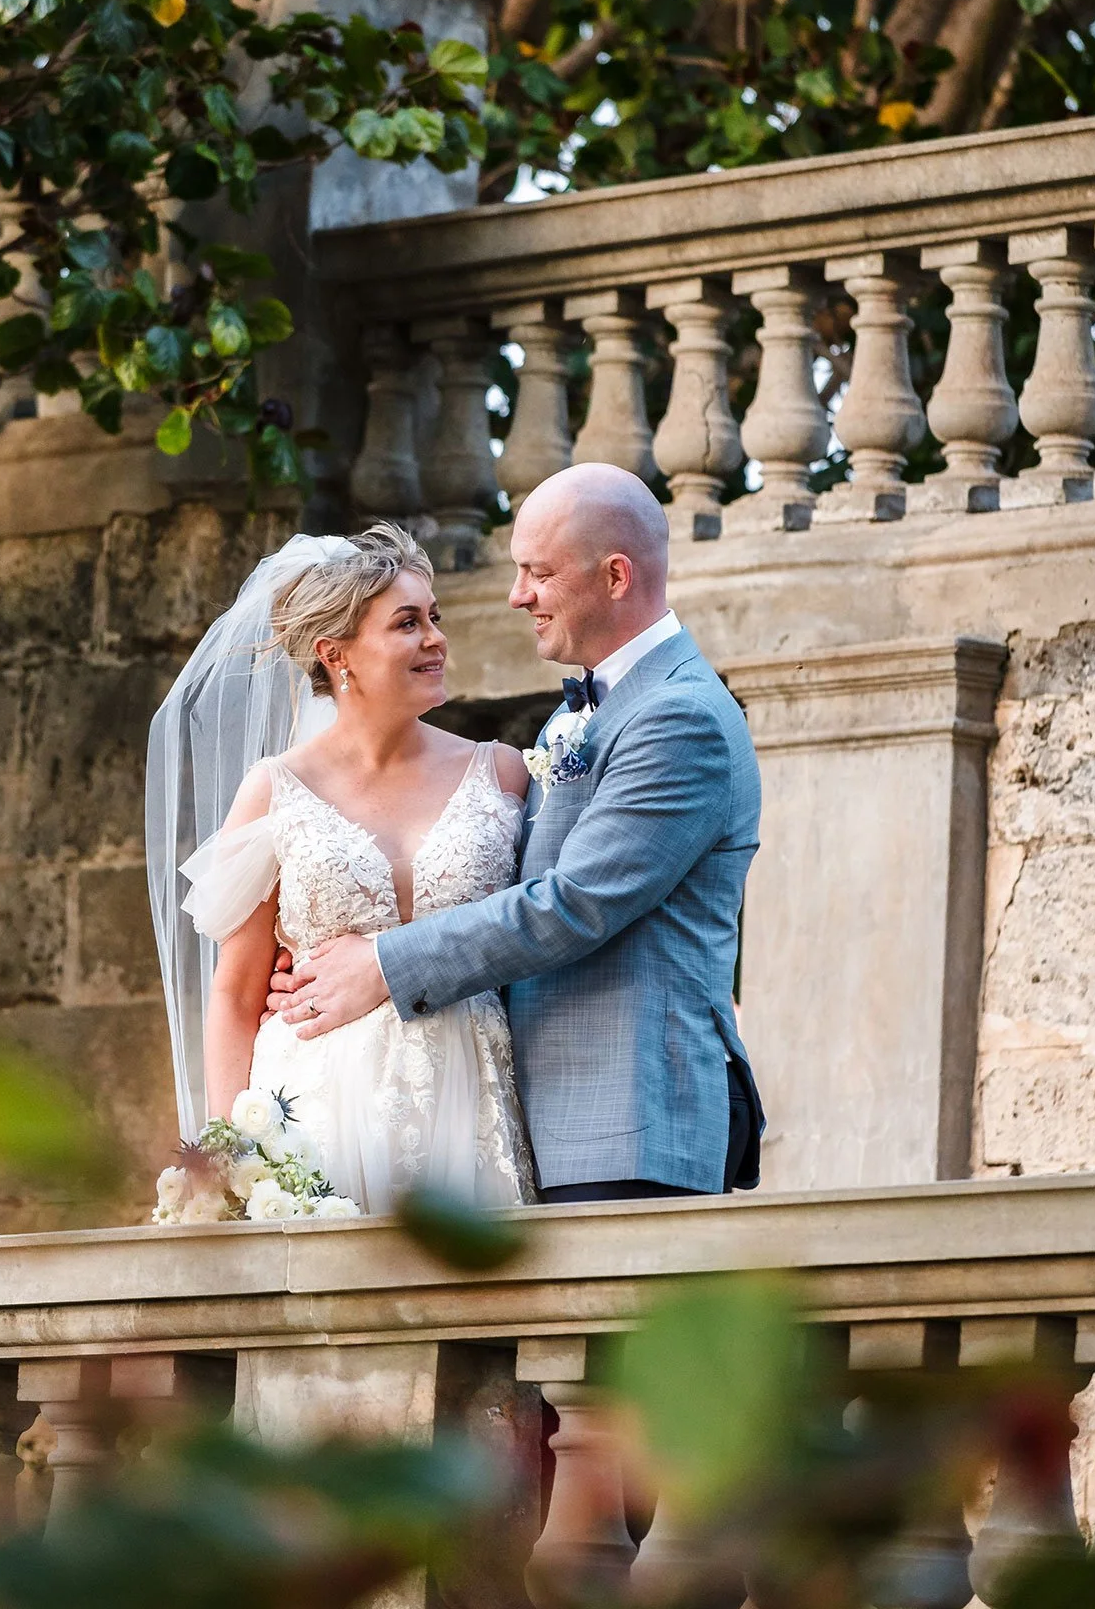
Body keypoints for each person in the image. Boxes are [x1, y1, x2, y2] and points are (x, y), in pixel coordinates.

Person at [269, 464, 766, 1203]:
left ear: (616, 576)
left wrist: (383, 964)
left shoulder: (678, 716)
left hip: (629, 1114)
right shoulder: (575, 716)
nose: (517, 595)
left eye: (537, 572)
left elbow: (576, 904)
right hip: (533, 1118)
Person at [145, 525, 535, 1216]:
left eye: (434, 618)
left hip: (471, 1095)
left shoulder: (502, 773)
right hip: (316, 1104)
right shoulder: (275, 791)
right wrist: (228, 1159)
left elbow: (535, 934)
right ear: (336, 654)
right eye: (407, 623)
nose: (436, 638)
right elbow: (236, 996)